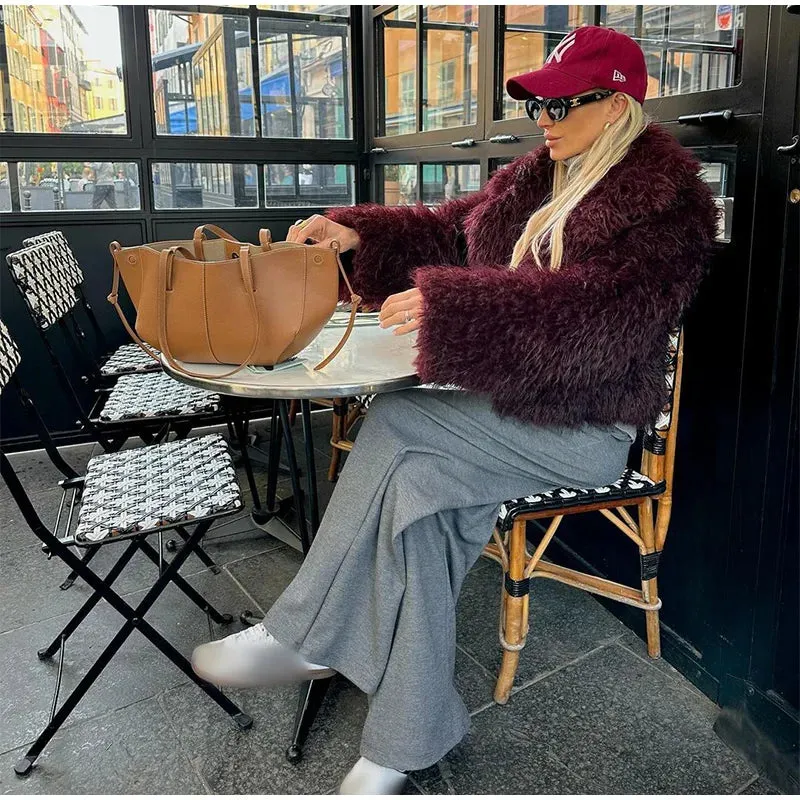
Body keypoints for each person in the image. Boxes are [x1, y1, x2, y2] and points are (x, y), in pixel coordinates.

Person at [191, 26, 719, 794]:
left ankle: (301, 632)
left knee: (400, 421)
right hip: (510, 407)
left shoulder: (667, 204)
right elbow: (450, 228)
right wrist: (356, 230)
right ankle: (407, 739)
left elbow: (605, 315)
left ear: (618, 104)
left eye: (566, 100)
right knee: (418, 506)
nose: (546, 114)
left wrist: (458, 309)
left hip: (585, 426)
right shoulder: (542, 171)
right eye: (540, 99)